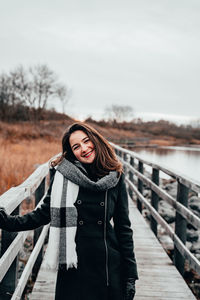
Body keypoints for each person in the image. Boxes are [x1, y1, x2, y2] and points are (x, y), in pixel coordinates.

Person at [0, 122, 138, 300]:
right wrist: (8, 222)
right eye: (76, 146)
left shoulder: (115, 178)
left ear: (96, 140)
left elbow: (123, 228)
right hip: (74, 267)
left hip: (108, 267)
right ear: (72, 152)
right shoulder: (63, 176)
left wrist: (131, 275)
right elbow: (43, 214)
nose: (84, 148)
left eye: (86, 141)